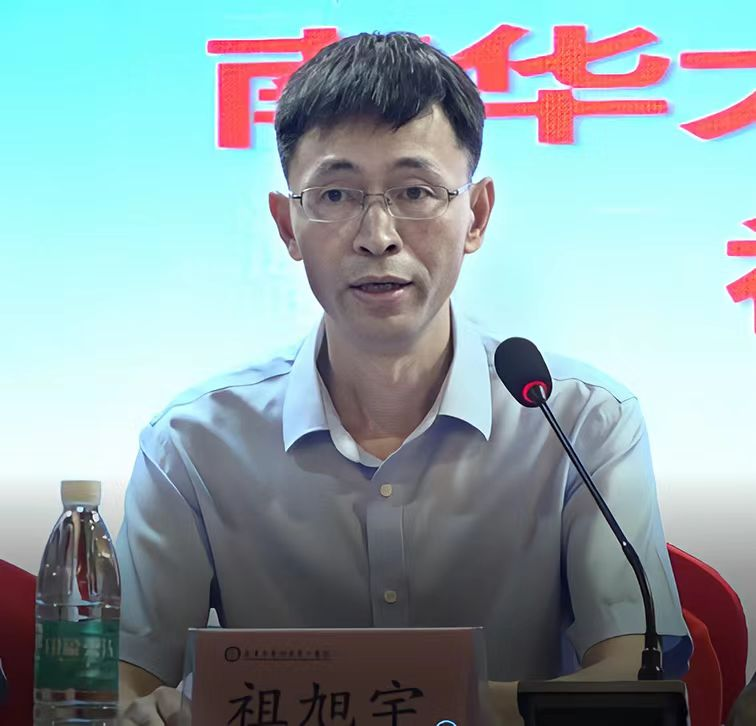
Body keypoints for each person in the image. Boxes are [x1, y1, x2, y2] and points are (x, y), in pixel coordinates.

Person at [117, 31, 691, 726]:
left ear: (476, 215)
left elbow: (634, 673)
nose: (377, 235)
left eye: (416, 191)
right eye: (335, 194)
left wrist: (378, 706)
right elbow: (121, 679)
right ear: (287, 225)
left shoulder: (582, 420)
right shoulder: (193, 442)